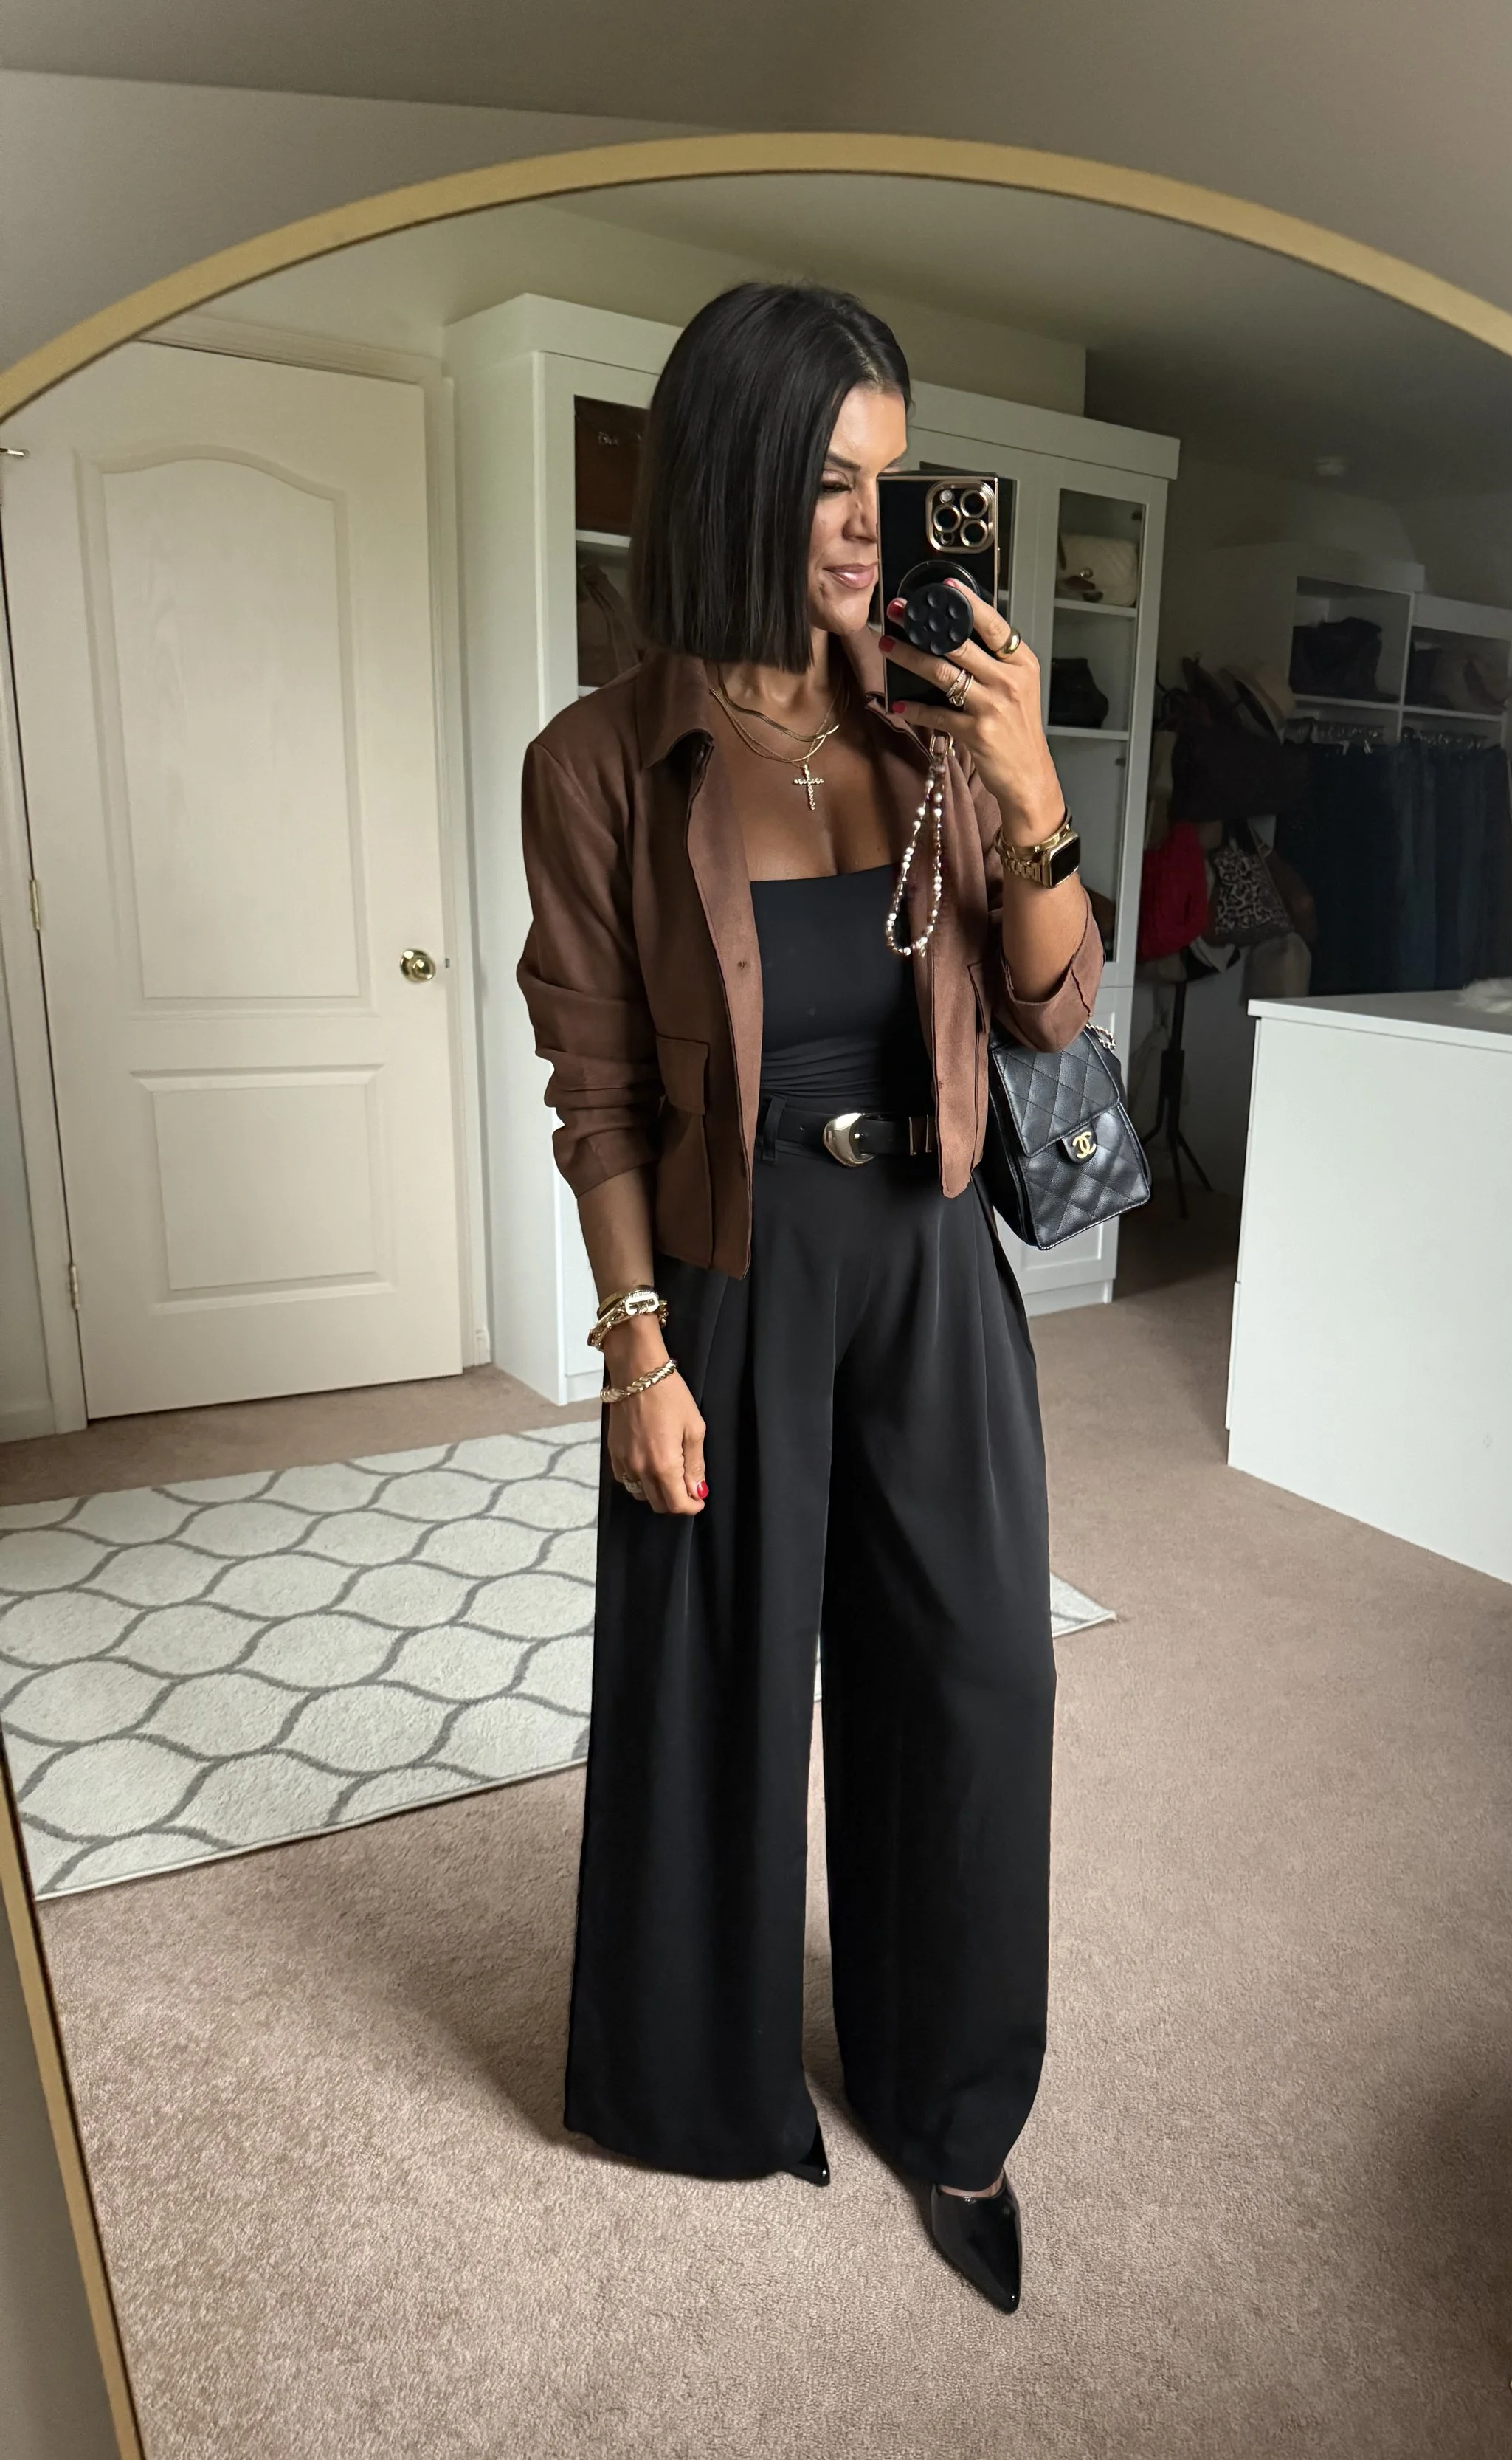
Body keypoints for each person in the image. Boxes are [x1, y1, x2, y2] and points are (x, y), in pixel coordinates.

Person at [517, 282, 1100, 2312]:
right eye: (830, 481)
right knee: (717, 1686)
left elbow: (1053, 1008)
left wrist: (1027, 780)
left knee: (978, 1683)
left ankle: (951, 2101)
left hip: (931, 1257)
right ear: (732, 477)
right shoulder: (601, 759)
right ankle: (698, 2083)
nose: (870, 527)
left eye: (892, 482)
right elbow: (596, 1085)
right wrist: (634, 1351)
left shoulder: (932, 724)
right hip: (729, 1266)